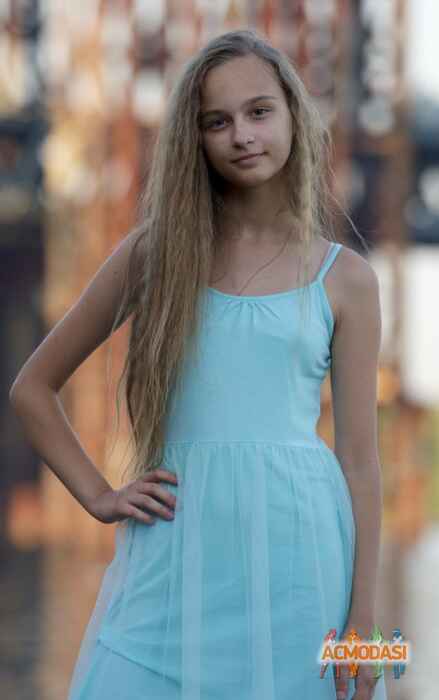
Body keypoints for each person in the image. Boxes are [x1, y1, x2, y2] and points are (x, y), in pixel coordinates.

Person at [9, 29, 388, 700]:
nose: (242, 135)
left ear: (294, 117)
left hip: (303, 559)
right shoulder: (154, 254)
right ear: (196, 139)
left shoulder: (347, 278)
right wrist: (99, 496)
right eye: (217, 121)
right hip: (173, 547)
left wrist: (363, 624)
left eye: (259, 111)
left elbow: (359, 460)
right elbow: (32, 388)